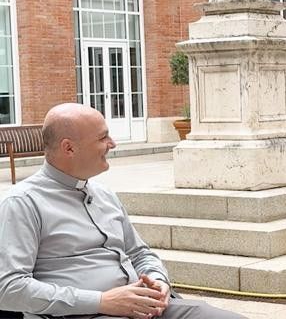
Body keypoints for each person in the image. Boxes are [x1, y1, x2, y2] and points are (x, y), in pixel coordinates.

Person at [0, 103, 246, 319]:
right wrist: (102, 301)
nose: (112, 144)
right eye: (102, 138)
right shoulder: (22, 203)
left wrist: (158, 281)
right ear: (69, 148)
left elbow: (139, 253)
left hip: (146, 308)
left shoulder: (105, 195)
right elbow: (8, 289)